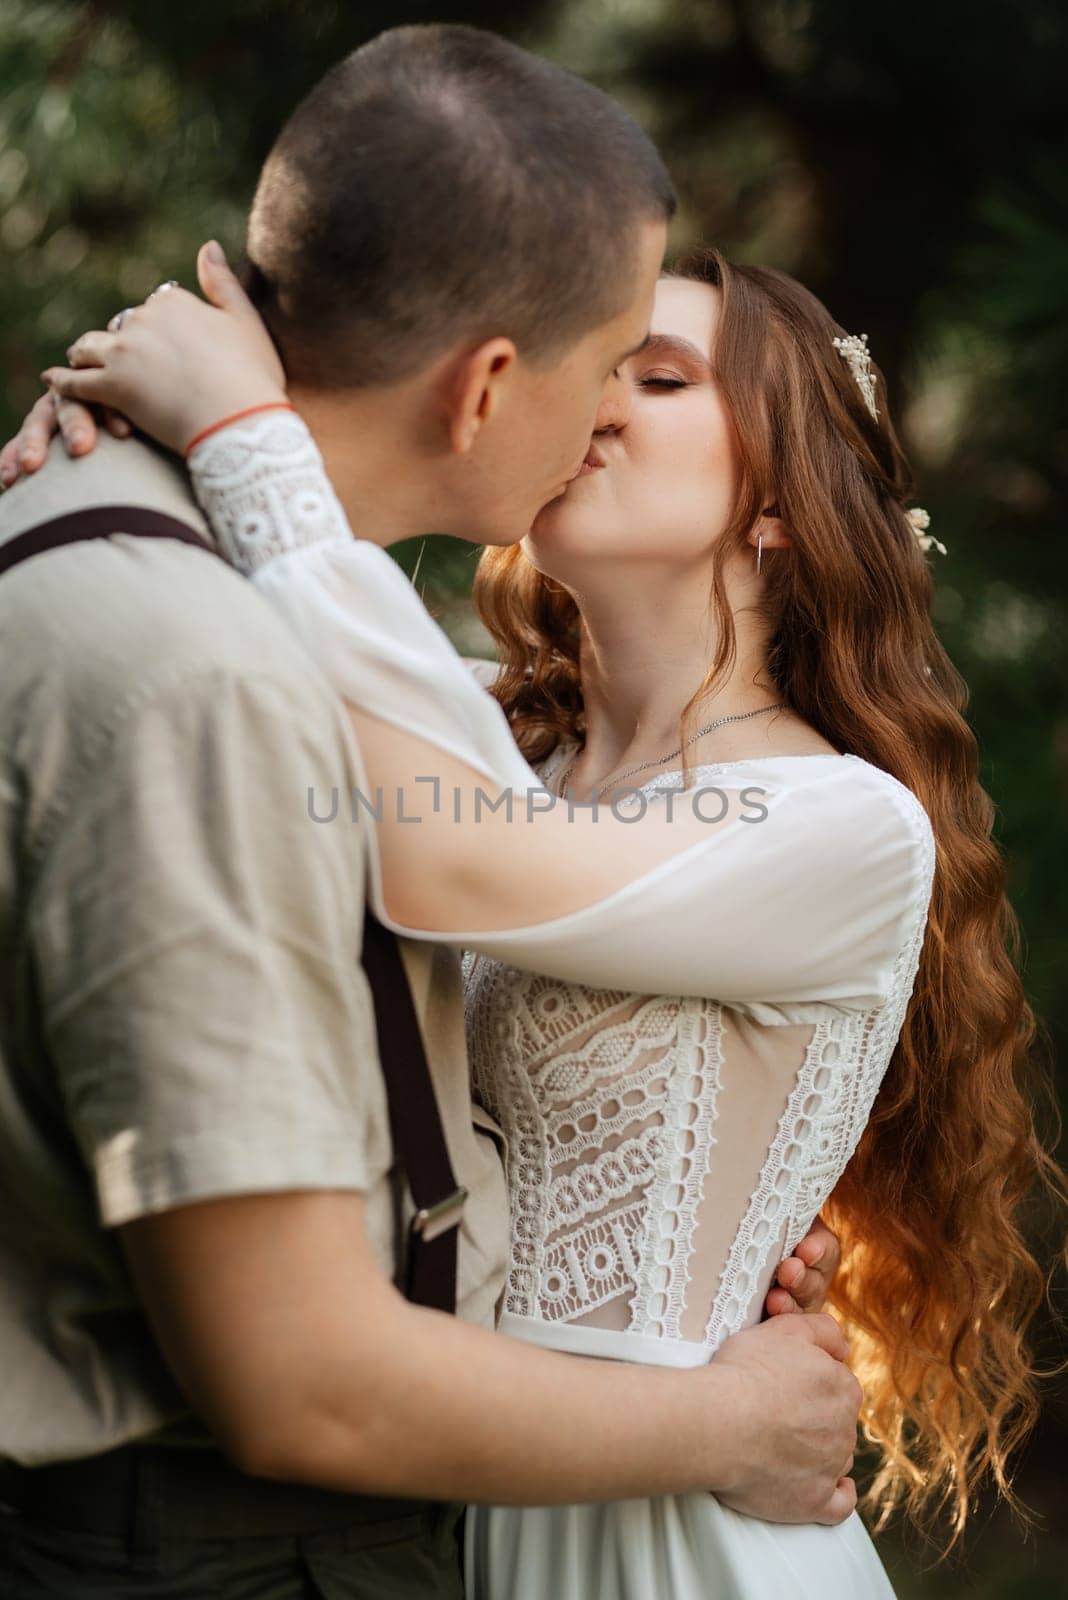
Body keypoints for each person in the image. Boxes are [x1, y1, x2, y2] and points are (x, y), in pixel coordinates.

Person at [22, 232, 1063, 1595]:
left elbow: (453, 863)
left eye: (668, 376)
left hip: (676, 1529)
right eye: (600, 365)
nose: (604, 399)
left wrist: (237, 421)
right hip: (465, 1484)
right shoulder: (496, 743)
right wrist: (127, 410)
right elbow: (294, 639)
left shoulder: (839, 828)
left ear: (782, 508)